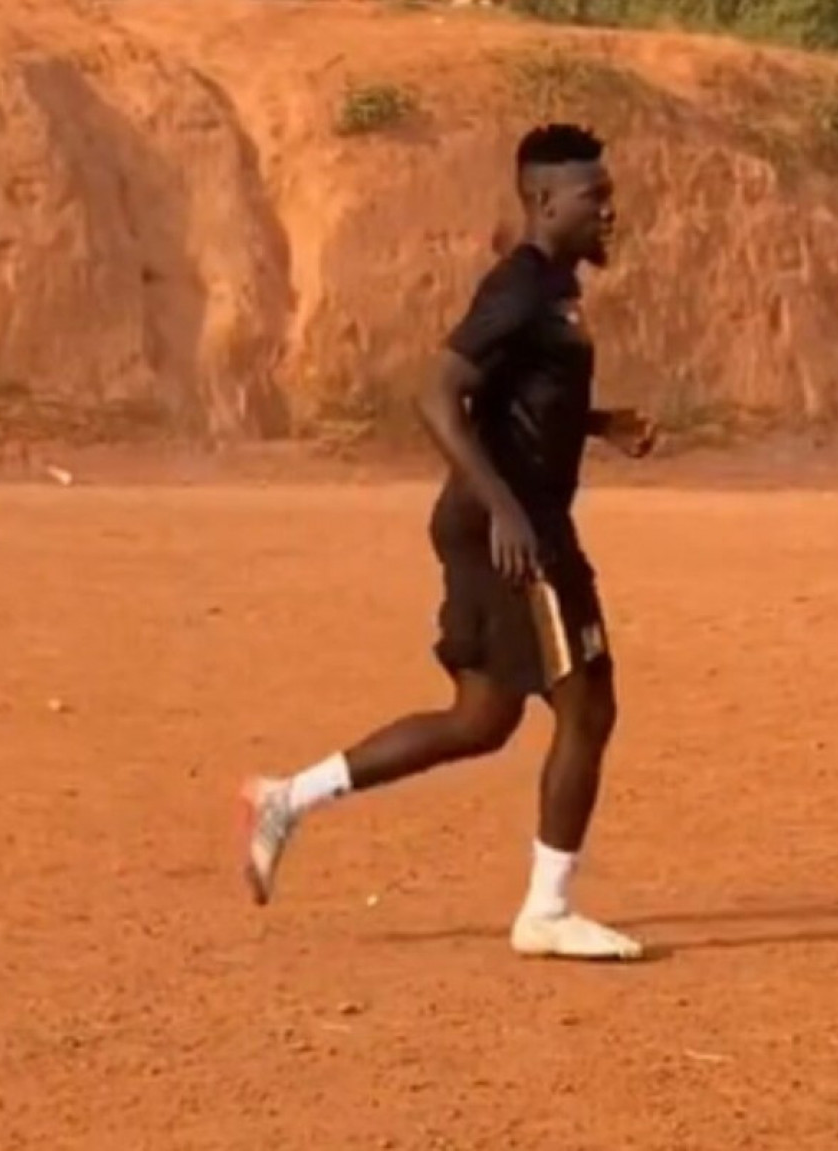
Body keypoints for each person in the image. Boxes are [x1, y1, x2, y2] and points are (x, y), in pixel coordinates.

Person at [236, 123, 658, 960]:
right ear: (543, 201)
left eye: (608, 195)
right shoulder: (522, 287)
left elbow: (511, 394)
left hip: (487, 520)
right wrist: (504, 506)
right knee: (590, 702)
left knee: (483, 716)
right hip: (517, 529)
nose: (609, 212)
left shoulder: (554, 291)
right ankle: (546, 910)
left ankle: (287, 797)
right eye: (594, 197)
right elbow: (438, 392)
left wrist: (601, 423)